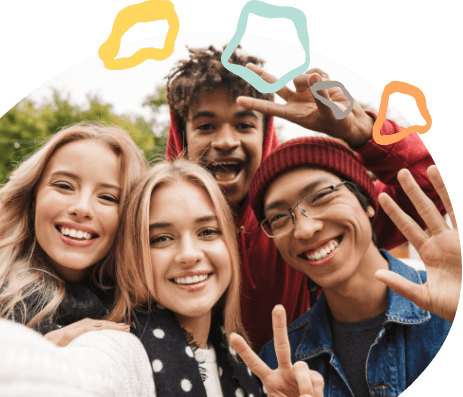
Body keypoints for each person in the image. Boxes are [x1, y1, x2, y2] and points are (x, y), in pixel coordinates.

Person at [0, 160, 335, 397]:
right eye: (161, 238)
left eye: (207, 231)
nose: (189, 254)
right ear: (133, 255)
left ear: (231, 246)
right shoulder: (116, 350)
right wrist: (37, 359)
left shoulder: (250, 376)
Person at [165, 45, 445, 352]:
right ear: (181, 137)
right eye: (206, 126)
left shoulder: (316, 220)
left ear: (265, 134)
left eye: (244, 125)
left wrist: (360, 132)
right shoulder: (148, 223)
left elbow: (430, 185)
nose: (226, 141)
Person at [247, 137, 454, 397]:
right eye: (279, 217)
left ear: (367, 202)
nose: (305, 229)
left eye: (320, 196)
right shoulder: (278, 365)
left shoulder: (447, 308)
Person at [0, 122, 146, 337]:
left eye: (108, 197)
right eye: (64, 186)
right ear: (33, 199)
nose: (81, 208)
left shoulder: (148, 314)